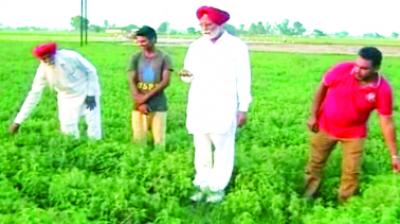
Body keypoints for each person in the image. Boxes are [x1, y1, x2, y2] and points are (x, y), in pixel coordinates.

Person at [305, 47, 400, 202]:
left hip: (354, 134)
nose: (357, 70)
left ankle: (345, 206)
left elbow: (387, 122)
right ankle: (307, 197)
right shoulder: (342, 69)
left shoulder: (382, 89)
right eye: (357, 65)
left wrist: (394, 155)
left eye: (364, 68)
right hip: (325, 127)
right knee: (314, 165)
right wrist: (313, 115)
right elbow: (322, 87)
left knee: (351, 173)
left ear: (376, 68)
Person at [180, 6, 252, 203]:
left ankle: (217, 187)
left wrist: (243, 107)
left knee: (223, 147)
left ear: (220, 24)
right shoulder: (196, 46)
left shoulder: (236, 46)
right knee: (201, 145)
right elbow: (188, 74)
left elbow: (243, 78)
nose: (204, 27)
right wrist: (184, 75)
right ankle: (202, 183)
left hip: (223, 105)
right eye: (201, 24)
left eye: (208, 24)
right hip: (199, 104)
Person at [9, 42, 102, 139]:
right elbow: (33, 95)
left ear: (54, 53)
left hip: (85, 89)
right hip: (66, 96)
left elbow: (91, 70)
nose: (48, 60)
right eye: (44, 59)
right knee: (67, 127)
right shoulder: (42, 71)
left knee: (93, 121)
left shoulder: (70, 56)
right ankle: (74, 145)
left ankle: (95, 143)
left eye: (49, 57)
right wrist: (18, 122)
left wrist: (91, 94)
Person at [127, 26, 173, 148]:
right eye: (138, 41)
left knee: (159, 141)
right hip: (139, 106)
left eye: (144, 41)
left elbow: (165, 82)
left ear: (153, 40)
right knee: (139, 141)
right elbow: (131, 80)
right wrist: (139, 102)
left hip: (158, 105)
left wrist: (144, 98)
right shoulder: (135, 58)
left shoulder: (164, 58)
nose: (140, 44)